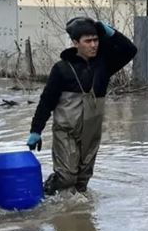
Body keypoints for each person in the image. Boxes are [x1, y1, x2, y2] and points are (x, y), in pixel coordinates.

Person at [27, 17, 137, 195]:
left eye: (96, 40)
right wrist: (36, 130)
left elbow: (130, 50)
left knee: (82, 181)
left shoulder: (104, 66)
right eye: (88, 41)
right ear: (75, 43)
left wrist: (111, 33)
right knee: (67, 177)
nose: (93, 45)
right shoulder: (62, 69)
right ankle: (47, 190)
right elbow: (47, 101)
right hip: (67, 132)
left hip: (91, 133)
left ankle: (77, 216)